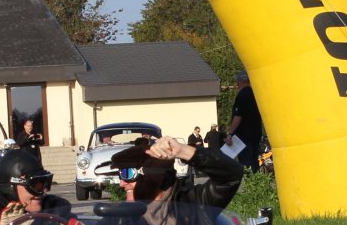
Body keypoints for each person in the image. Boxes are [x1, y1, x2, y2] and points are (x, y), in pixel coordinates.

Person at [109, 133, 243, 215]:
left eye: (127, 173)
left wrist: (183, 151)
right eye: (120, 174)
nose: (121, 183)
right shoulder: (122, 217)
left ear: (153, 174)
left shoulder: (194, 204)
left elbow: (231, 176)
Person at [0, 148, 71, 225]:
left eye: (45, 183)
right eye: (35, 185)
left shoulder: (55, 210)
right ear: (10, 187)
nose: (43, 191)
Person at [225, 72, 264, 169]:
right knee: (254, 160)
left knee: (246, 163)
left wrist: (230, 133)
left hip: (244, 137)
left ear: (239, 82)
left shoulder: (242, 95)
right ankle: (255, 177)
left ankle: (248, 177)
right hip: (256, 133)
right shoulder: (257, 94)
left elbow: (238, 116)